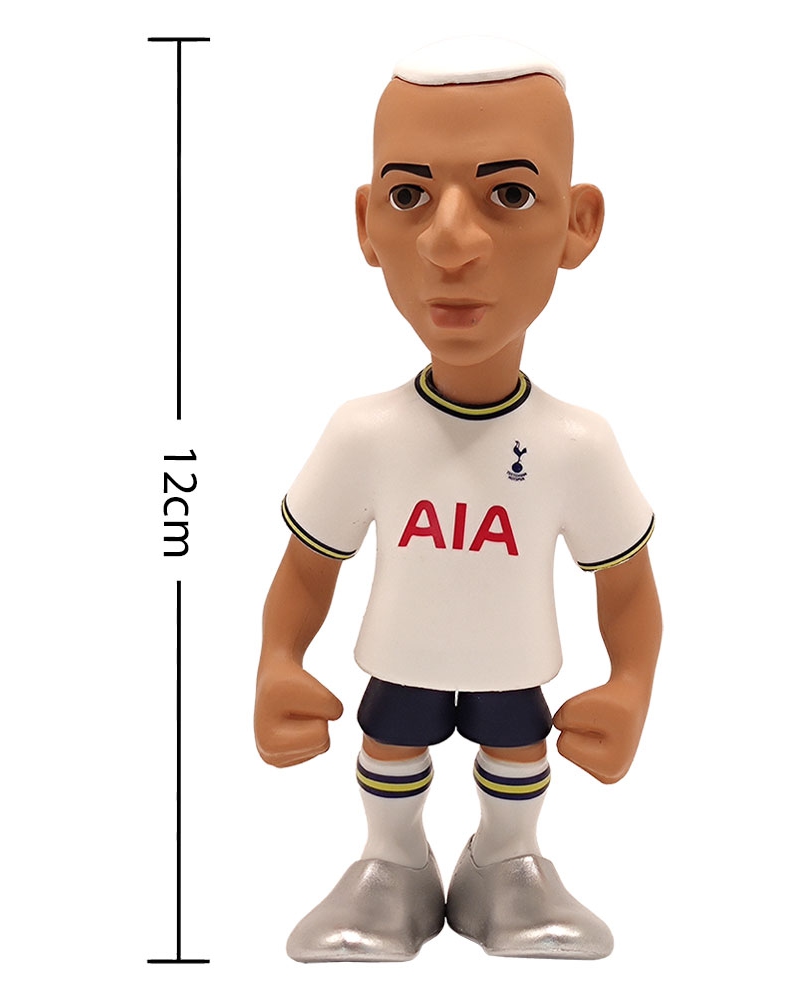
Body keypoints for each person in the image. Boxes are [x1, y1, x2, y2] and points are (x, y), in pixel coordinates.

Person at [254, 36, 662, 962]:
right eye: (408, 196)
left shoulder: (576, 445)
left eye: (507, 195)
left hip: (511, 662)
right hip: (401, 657)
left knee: (517, 750)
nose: (448, 242)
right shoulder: (364, 433)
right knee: (389, 747)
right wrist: (278, 658)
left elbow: (627, 584)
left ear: (577, 224)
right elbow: (308, 566)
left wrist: (630, 684)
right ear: (367, 224)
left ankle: (504, 862)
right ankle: (392, 863)